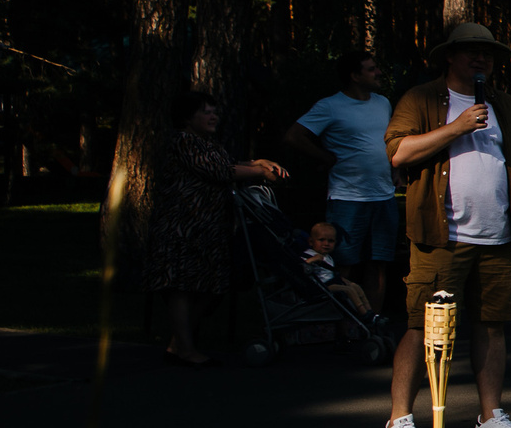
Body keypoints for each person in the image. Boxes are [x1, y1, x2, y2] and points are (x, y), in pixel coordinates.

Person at [382, 22, 511, 428]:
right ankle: (398, 421)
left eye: (488, 53)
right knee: (423, 326)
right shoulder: (423, 98)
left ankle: (490, 416)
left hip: (497, 235)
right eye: (471, 51)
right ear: (450, 56)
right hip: (442, 236)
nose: (481, 59)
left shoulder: (503, 103)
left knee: (492, 324)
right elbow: (398, 152)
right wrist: (456, 127)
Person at [149, 92, 289, 365]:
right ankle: (185, 349)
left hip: (208, 229)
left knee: (211, 286)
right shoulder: (183, 141)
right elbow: (220, 171)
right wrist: (259, 171)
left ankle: (178, 345)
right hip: (181, 227)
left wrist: (257, 162)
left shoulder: (206, 142)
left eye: (214, 110)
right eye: (205, 111)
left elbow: (227, 164)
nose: (213, 115)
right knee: (181, 286)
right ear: (188, 117)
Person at [286, 51, 398, 312]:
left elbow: (386, 142)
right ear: (355, 76)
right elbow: (294, 136)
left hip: (384, 196)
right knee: (341, 263)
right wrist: (325, 156)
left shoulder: (383, 103)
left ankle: (372, 323)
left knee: (378, 263)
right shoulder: (330, 106)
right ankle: (343, 322)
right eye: (371, 69)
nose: (378, 73)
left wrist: (396, 168)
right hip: (348, 199)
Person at [301, 220, 374, 315]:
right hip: (322, 286)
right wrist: (312, 260)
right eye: (321, 240)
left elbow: (330, 273)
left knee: (355, 286)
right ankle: (363, 313)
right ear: (311, 242)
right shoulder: (308, 254)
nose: (326, 243)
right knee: (349, 290)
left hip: (332, 281)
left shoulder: (328, 257)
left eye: (330, 241)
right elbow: (301, 267)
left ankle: (370, 310)